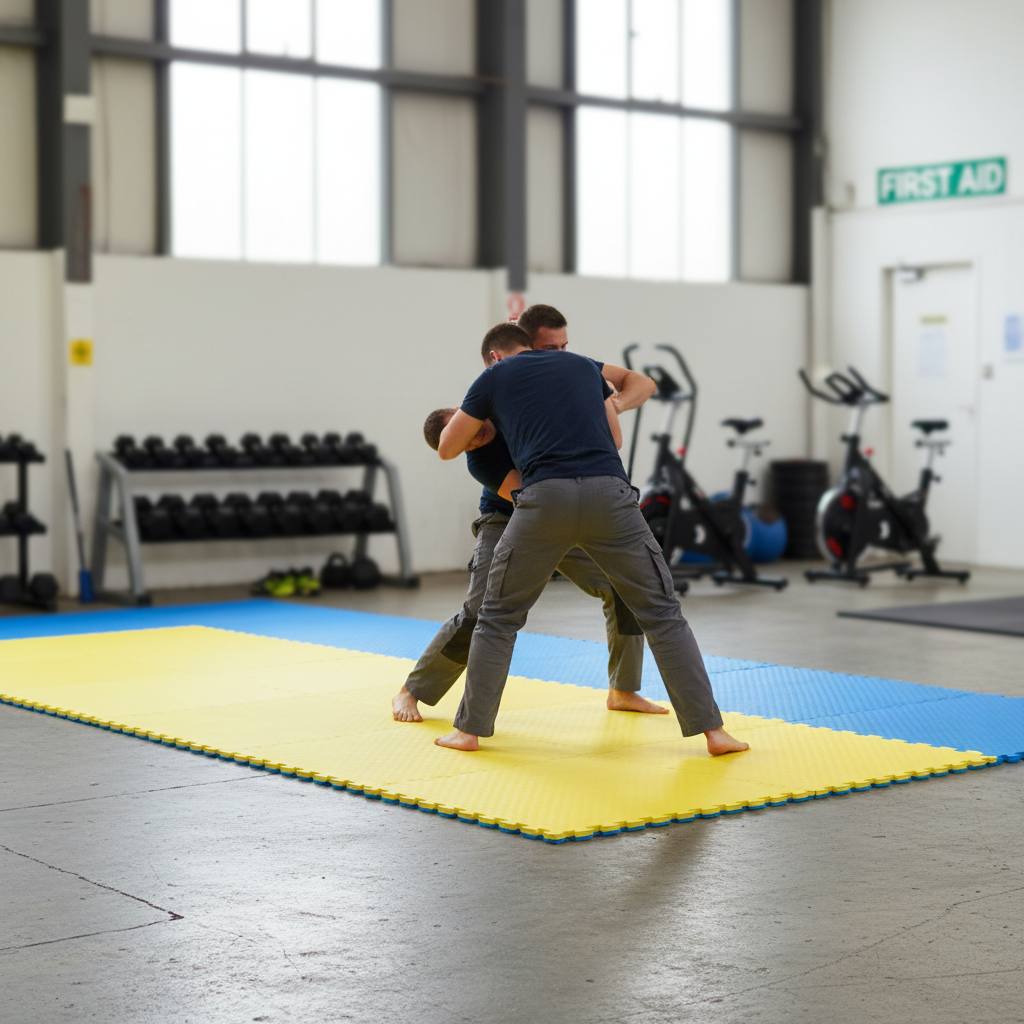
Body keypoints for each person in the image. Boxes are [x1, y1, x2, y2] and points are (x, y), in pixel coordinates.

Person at [434, 323, 749, 757]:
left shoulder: (494, 376)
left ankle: (468, 732)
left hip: (544, 499)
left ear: (497, 356)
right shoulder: (584, 366)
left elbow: (447, 448)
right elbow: (616, 437)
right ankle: (714, 733)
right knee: (662, 613)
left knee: (498, 616)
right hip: (610, 496)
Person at [392, 309, 666, 723]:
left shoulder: (552, 383)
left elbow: (640, 383)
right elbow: (525, 493)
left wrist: (608, 404)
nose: (481, 432)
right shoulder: (484, 434)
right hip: (511, 519)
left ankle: (623, 689)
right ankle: (413, 689)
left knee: (624, 588)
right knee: (481, 609)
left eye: (561, 349)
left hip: (564, 511)